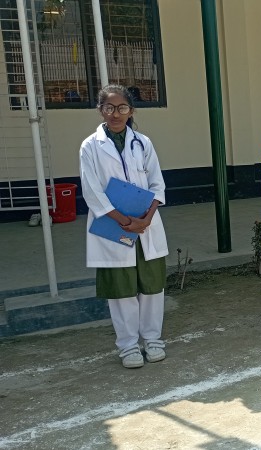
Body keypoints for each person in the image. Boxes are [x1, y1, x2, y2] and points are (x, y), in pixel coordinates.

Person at [80, 85, 168, 369]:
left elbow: (157, 185)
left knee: (152, 287)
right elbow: (92, 192)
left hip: (146, 226)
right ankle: (128, 346)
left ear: (131, 111)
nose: (115, 114)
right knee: (121, 290)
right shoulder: (90, 146)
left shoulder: (143, 143)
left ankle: (153, 340)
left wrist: (146, 219)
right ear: (100, 110)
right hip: (113, 225)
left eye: (122, 108)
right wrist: (124, 221)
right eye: (109, 107)